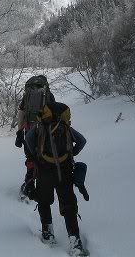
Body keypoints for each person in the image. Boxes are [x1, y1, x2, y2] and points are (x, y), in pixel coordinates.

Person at [23, 101, 88, 256]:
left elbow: (29, 142)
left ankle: (48, 232)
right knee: (68, 203)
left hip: (44, 170)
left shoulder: (39, 127)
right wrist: (71, 153)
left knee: (44, 200)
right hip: (65, 170)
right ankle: (75, 240)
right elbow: (82, 141)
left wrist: (37, 157)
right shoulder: (65, 126)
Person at [15, 75, 55, 199]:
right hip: (44, 131)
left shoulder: (27, 95)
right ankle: (44, 183)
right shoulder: (49, 95)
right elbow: (54, 113)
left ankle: (29, 182)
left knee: (30, 157)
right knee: (44, 156)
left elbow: (21, 114)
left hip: (29, 130)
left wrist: (19, 133)